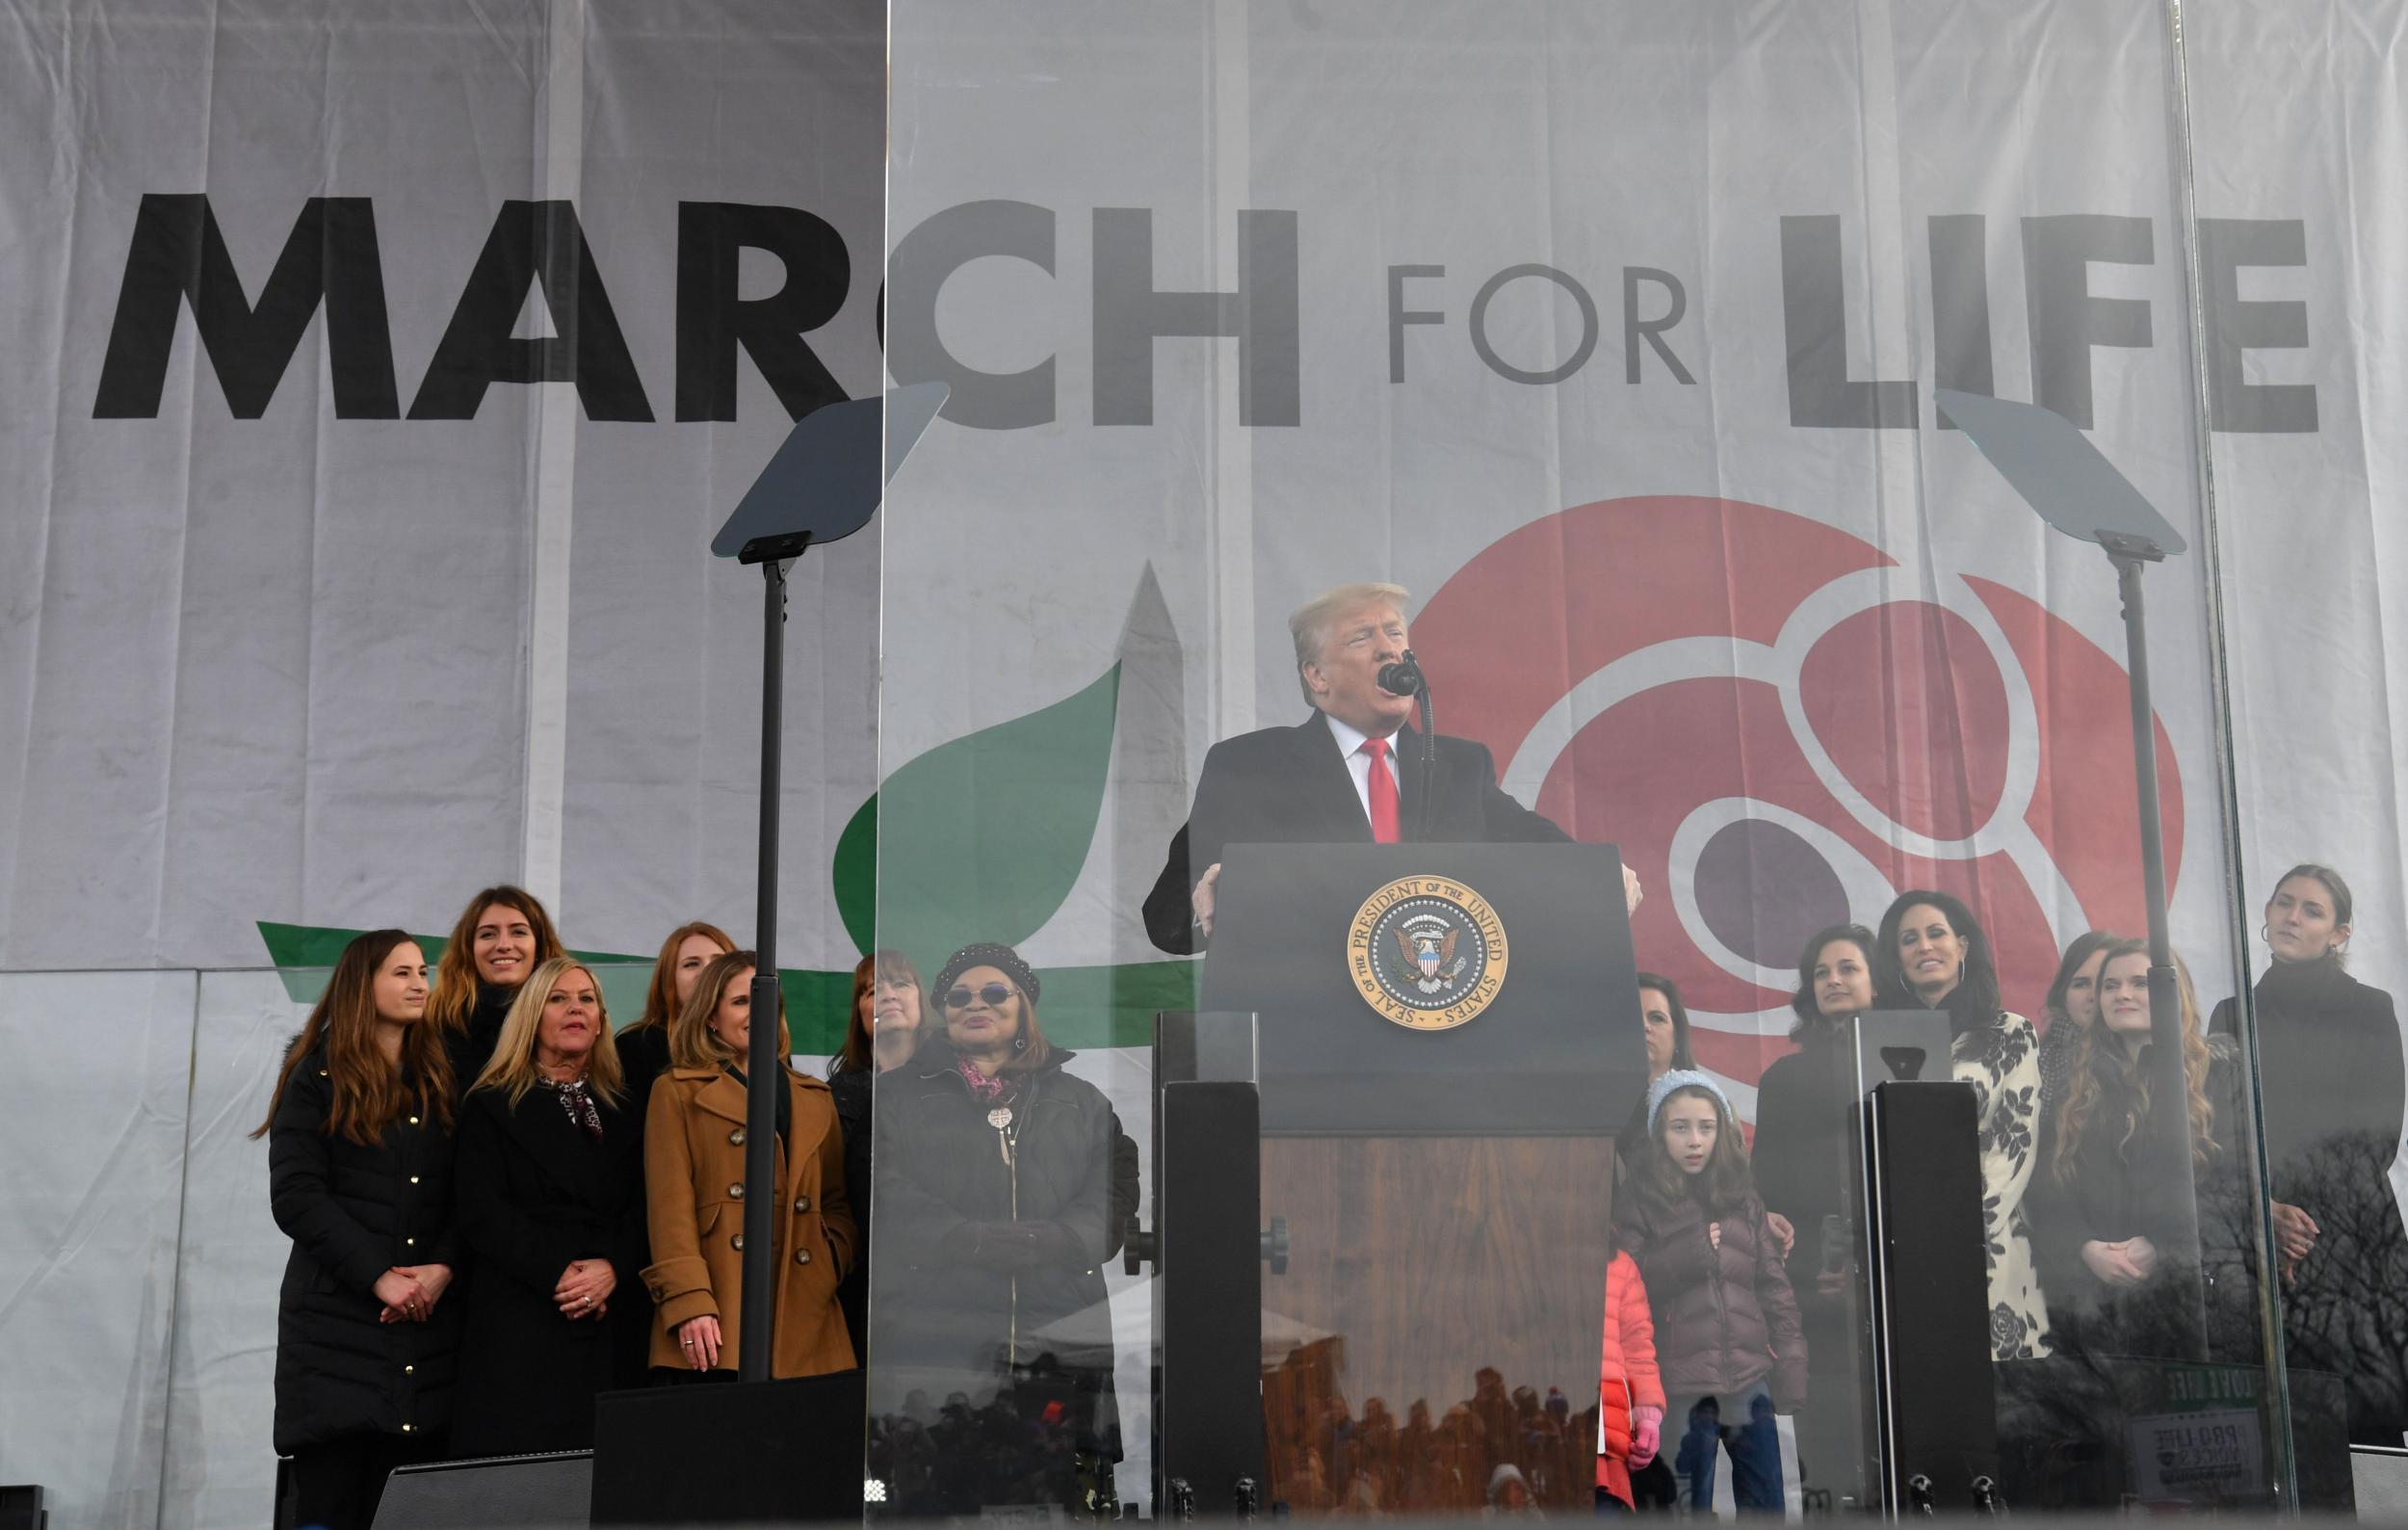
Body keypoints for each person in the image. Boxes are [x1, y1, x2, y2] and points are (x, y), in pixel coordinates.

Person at [1140, 582, 1636, 954]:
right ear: (1317, 676)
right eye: (1361, 638)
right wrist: (1216, 897)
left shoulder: (1462, 767)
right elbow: (1169, 916)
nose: (1388, 649)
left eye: (1395, 633)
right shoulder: (1251, 766)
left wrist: (1596, 878)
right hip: (1312, 1040)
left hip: (1443, 1034)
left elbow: (1537, 846)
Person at [872, 942, 1125, 1514]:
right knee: (935, 1502)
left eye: (993, 993)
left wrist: (1052, 1242)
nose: (974, 1004)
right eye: (958, 997)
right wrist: (965, 1238)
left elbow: (1114, 1192)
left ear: (1023, 1006)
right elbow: (883, 1187)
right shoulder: (894, 1096)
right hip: (938, 1349)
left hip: (1058, 1343)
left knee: (1055, 1499)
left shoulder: (1083, 1102)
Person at [255, 930, 460, 1530]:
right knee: (335, 1502)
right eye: (401, 972)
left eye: (423, 971)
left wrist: (442, 1268)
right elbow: (295, 1195)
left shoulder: (441, 1077)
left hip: (427, 1340)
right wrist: (378, 1277)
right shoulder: (315, 1075)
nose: (419, 983)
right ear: (360, 983)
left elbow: (467, 1194)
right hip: (334, 1338)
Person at [2208, 864, 2408, 1444]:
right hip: (2258, 1236)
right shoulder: (2230, 1014)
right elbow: (2221, 1134)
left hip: (2350, 1244)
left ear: (2339, 933)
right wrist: (2264, 1208)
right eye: (2284, 903)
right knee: (2273, 1429)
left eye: (2312, 910)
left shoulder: (2369, 1008)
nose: (2293, 917)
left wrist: (2301, 1222)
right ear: (2267, 914)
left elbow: (2377, 1134)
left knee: (2364, 1430)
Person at [449, 958, 649, 1455]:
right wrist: (560, 1273)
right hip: (524, 1318)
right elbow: (482, 1212)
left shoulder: (630, 1106)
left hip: (612, 1318)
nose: (575, 1009)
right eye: (558, 999)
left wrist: (612, 1269)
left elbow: (649, 1204)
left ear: (602, 1019)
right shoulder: (490, 1104)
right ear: (532, 1017)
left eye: (587, 999)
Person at [641, 950, 856, 1379]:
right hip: (716, 1314)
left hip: (808, 1312)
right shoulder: (676, 1092)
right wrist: (689, 1301)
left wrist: (832, 1257)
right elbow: (670, 1213)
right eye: (741, 1001)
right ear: (710, 1017)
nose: (758, 1013)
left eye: (768, 1002)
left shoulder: (817, 1096)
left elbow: (836, 1202)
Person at [1615, 1070, 1804, 1514]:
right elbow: (1627, 1286)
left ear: (1723, 1131)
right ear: (1659, 1134)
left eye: (1706, 1127)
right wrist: (1692, 1252)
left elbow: (1774, 1287)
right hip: (1680, 1385)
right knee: (1683, 1507)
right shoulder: (1638, 1199)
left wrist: (1791, 1362)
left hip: (1748, 1378)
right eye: (1680, 1128)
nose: (1694, 1140)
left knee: (1766, 1504)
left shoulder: (1743, 1196)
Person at [1872, 889, 2049, 1361]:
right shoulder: (1877, 1040)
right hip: (1903, 1247)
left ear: (1963, 946)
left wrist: (1958, 1230)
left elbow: (2016, 1141)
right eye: (1909, 939)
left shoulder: (2010, 1031)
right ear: (1897, 959)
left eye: (1936, 934)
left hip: (1985, 1242)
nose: (1924, 947)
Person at [1749, 922, 1877, 1504]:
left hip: (1890, 1277)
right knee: (1823, 1430)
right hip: (1809, 1282)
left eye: (1848, 968)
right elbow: (1765, 1188)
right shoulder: (1783, 1077)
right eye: (1821, 972)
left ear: (1878, 980)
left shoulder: (1909, 1063)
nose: (1833, 980)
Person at [827, 947, 926, 1353]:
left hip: (942, 1282)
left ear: (922, 1001)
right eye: (870, 990)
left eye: (900, 983)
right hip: (863, 1283)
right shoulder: (832, 1097)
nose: (885, 994)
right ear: (859, 1013)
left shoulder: (958, 1086)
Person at [425, 884, 565, 1085]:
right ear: (469, 949)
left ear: (539, 946)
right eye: (488, 934)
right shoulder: (436, 1020)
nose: (504, 945)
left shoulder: (567, 1016)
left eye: (518, 932)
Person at [615, 920, 735, 1121]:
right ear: (668, 980)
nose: (707, 972)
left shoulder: (760, 1043)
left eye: (718, 962)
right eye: (691, 964)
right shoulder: (637, 1046)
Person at [1595, 1229, 1666, 1513]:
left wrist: (1647, 1418)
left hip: (1607, 1436)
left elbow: (1638, 1348)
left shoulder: (1619, 1264)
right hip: (1540, 1431)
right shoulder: (1526, 1253)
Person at [1614, 972, 1697, 1163]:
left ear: (1677, 1036)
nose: (1644, 1026)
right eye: (1632, 1017)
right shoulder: (1594, 1105)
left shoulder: (1707, 1105)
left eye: (1657, 1018)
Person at [2035, 930, 2120, 1112]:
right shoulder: (2036, 1062)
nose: (2093, 995)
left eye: (2106, 984)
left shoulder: (2150, 1056)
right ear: (2063, 995)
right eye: (2081, 984)